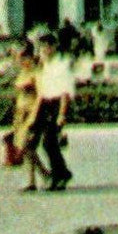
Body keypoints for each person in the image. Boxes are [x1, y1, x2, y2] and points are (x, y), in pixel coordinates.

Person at [31, 35, 76, 191]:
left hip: (58, 104)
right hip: (46, 104)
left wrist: (62, 114)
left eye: (48, 46)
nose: (45, 50)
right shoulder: (45, 66)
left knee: (49, 142)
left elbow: (65, 92)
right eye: (42, 47)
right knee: (47, 142)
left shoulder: (61, 65)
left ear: (55, 47)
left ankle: (61, 174)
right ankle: (61, 173)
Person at [5, 44, 52, 192]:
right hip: (21, 113)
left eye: (22, 57)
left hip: (32, 113)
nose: (19, 60)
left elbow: (41, 95)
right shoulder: (22, 72)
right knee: (25, 148)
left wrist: (33, 116)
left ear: (29, 57)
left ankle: (45, 173)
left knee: (27, 146)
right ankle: (31, 181)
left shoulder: (36, 72)